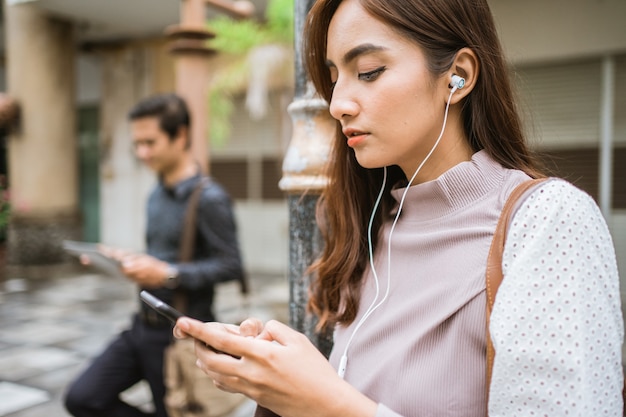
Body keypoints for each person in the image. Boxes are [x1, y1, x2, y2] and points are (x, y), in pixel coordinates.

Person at [172, 0, 624, 416]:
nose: (337, 105)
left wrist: (324, 403)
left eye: (367, 71)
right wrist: (283, 377)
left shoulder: (548, 223)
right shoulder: (371, 224)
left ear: (458, 75)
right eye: (333, 80)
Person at [64, 93, 245, 417]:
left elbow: (231, 265)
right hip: (141, 326)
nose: (141, 153)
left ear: (181, 136)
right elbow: (161, 256)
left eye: (150, 142)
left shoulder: (210, 198)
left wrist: (168, 274)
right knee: (82, 397)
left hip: (181, 335)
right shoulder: (157, 192)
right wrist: (125, 260)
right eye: (137, 144)